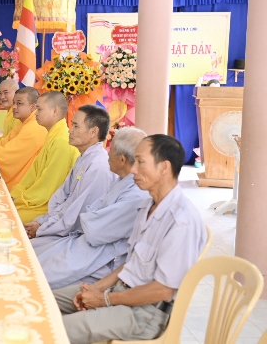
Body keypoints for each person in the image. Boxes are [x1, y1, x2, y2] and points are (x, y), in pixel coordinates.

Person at [53, 135, 208, 344]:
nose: (133, 169)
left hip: (144, 314)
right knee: (43, 301)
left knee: (56, 330)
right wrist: (97, 288)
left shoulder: (181, 221)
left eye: (140, 162)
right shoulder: (147, 206)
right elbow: (131, 263)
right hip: (119, 292)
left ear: (164, 167)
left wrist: (104, 300)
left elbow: (163, 290)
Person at [36, 127, 149, 290]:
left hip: (99, 257)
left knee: (37, 275)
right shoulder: (122, 180)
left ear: (122, 160)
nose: (107, 153)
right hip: (82, 242)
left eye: (111, 150)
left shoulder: (137, 195)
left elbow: (94, 229)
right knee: (31, 256)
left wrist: (89, 218)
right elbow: (89, 213)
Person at [24, 104, 115, 242]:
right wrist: (42, 222)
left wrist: (43, 229)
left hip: (81, 236)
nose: (70, 131)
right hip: (61, 225)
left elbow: (79, 215)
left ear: (93, 132)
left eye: (76, 126)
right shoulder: (84, 158)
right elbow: (63, 197)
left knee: (26, 246)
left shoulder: (98, 166)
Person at [10, 91, 80, 223]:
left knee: (6, 217)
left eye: (39, 109)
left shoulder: (61, 142)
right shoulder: (53, 135)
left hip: (49, 207)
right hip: (36, 199)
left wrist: (20, 199)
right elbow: (33, 173)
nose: (35, 113)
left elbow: (48, 188)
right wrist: (16, 194)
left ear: (55, 111)